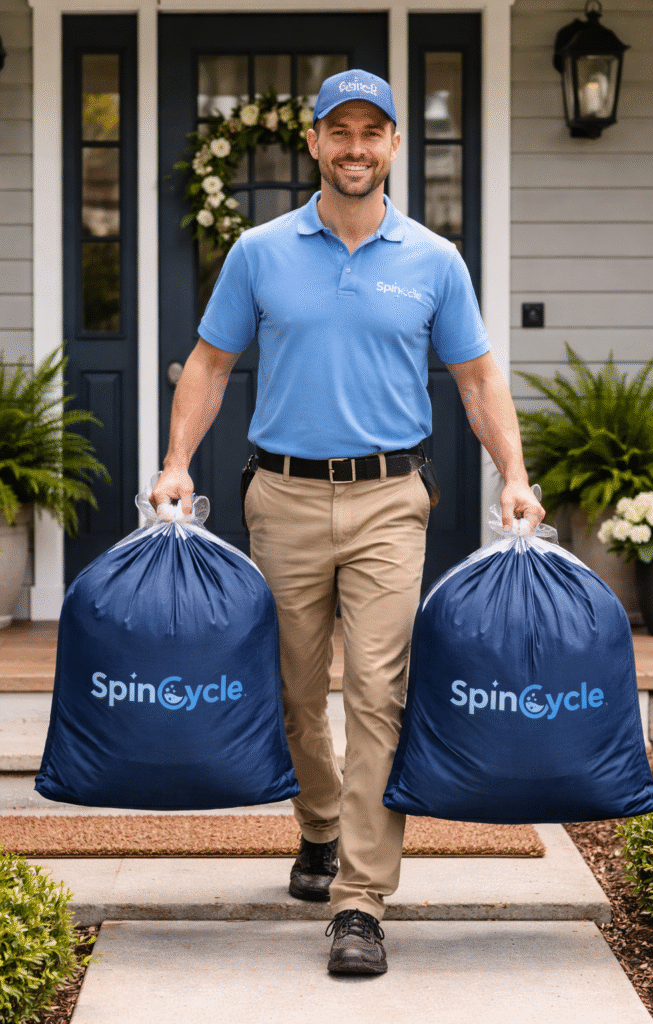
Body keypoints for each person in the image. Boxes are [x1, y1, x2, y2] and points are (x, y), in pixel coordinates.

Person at [151, 69, 545, 976]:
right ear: (315, 143)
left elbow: (478, 379)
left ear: (394, 145)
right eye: (341, 132)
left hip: (388, 502)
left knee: (376, 692)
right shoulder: (259, 250)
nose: (356, 148)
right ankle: (321, 827)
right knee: (294, 694)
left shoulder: (434, 260)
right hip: (281, 498)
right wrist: (175, 464)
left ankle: (361, 897)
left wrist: (513, 476)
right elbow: (209, 365)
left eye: (374, 132)